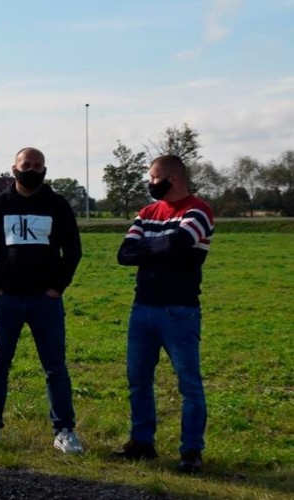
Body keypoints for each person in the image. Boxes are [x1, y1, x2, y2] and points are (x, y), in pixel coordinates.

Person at [0, 147, 84, 454]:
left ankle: (64, 431)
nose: (31, 170)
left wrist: (57, 288)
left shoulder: (57, 205)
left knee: (55, 367)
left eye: (37, 166)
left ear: (44, 169)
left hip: (46, 301)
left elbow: (73, 251)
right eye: (26, 165)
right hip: (6, 301)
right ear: (14, 169)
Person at [114, 154, 215, 474]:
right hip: (142, 308)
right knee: (138, 380)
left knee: (189, 383)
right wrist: (163, 247)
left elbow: (179, 243)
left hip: (179, 311)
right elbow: (124, 254)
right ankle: (142, 443)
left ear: (172, 178)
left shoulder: (199, 210)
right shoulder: (147, 212)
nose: (150, 183)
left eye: (154, 177)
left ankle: (191, 451)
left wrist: (152, 247)